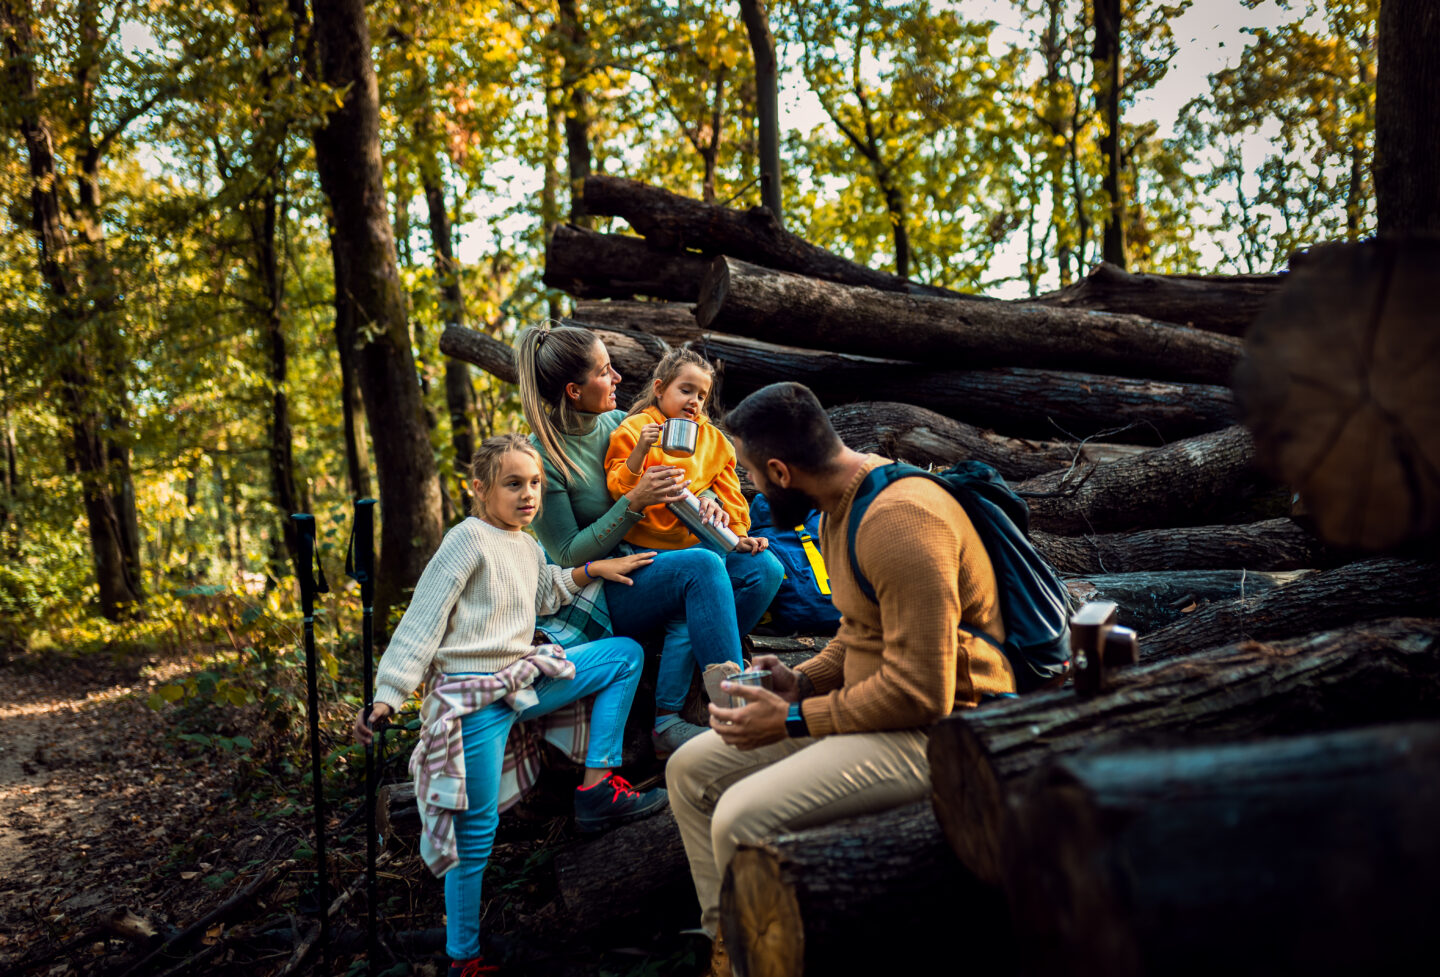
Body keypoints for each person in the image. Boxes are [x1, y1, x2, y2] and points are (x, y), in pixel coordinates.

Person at [666, 382, 1016, 976]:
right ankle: (728, 948)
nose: (751, 489)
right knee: (689, 770)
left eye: (752, 475)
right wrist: (798, 682)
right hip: (875, 709)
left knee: (739, 815)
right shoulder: (837, 507)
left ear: (780, 471)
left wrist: (796, 718)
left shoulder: (901, 521)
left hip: (949, 731)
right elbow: (859, 634)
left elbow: (921, 692)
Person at [353, 434, 667, 977]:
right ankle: (463, 958)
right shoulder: (465, 540)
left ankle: (597, 785)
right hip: (474, 700)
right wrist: (387, 698)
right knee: (475, 836)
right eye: (514, 484)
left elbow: (543, 590)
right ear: (480, 488)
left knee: (622, 655)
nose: (528, 495)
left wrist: (591, 571)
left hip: (523, 683)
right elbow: (421, 624)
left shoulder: (524, 543)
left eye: (536, 484)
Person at [516, 325, 783, 757]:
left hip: (656, 564)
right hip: (599, 590)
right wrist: (633, 503)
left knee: (764, 570)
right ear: (573, 390)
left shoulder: (622, 424)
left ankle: (699, 680)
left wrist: (709, 500)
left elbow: (684, 478)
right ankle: (731, 720)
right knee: (702, 566)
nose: (618, 377)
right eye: (605, 371)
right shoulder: (541, 457)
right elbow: (566, 556)